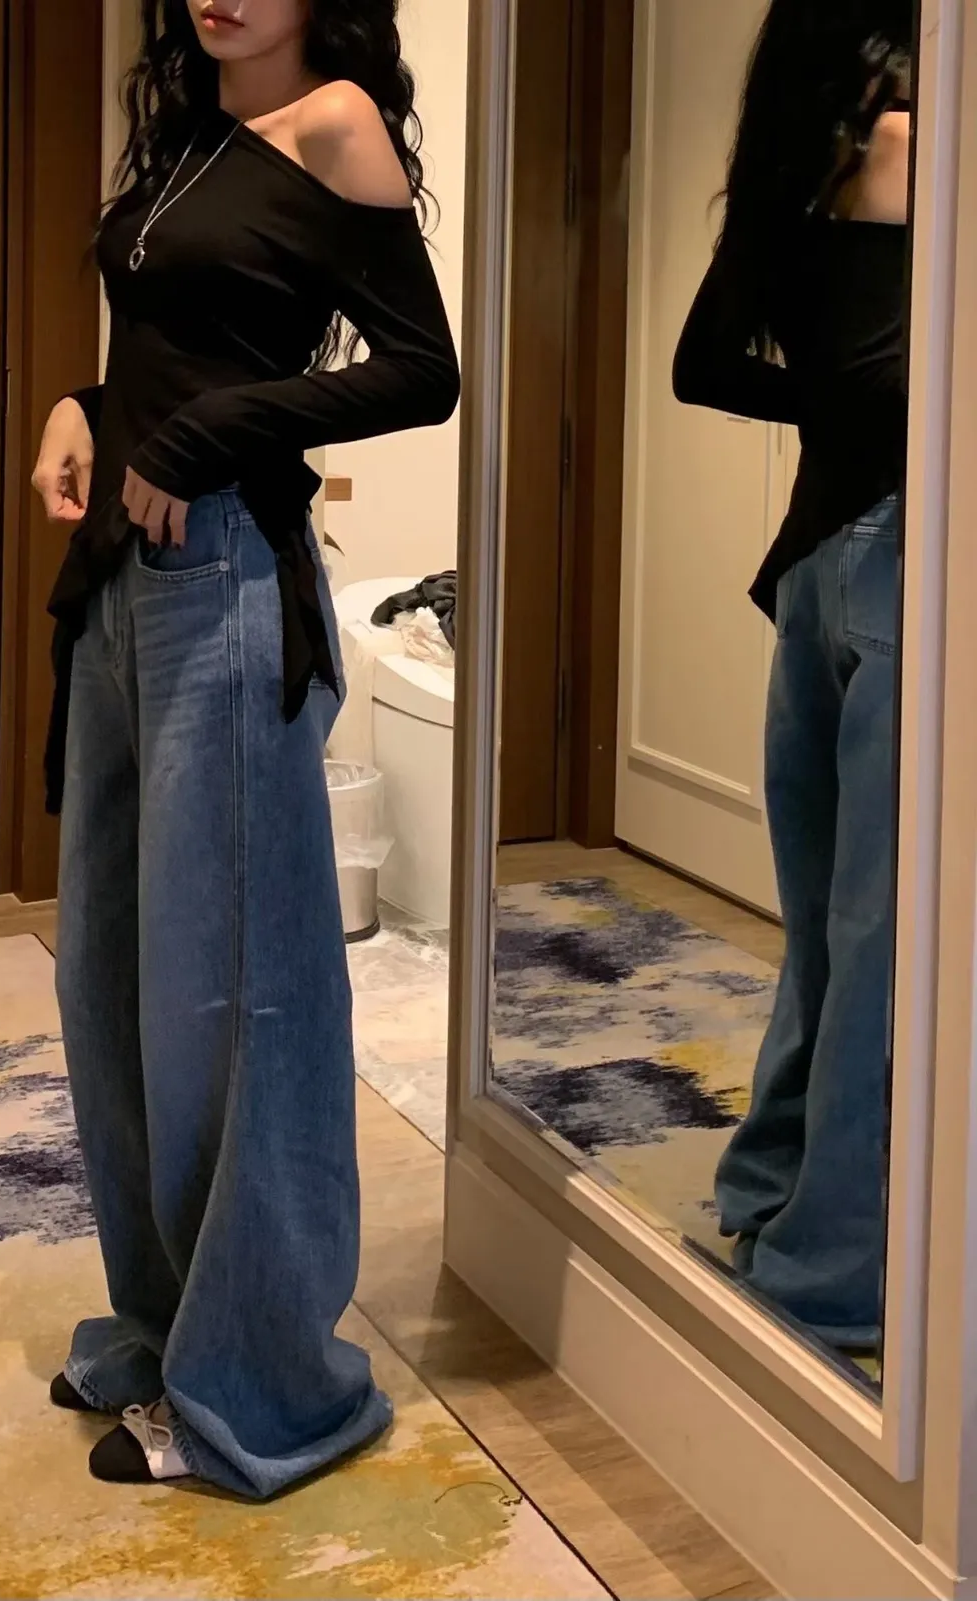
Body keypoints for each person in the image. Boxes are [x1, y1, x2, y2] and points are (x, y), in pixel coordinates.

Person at [30, 0, 459, 1494]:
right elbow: (170, 345)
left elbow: (421, 368)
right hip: (120, 582)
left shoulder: (335, 124)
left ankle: (266, 1383)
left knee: (235, 995)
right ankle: (168, 1329)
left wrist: (210, 436)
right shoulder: (187, 133)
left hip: (224, 576)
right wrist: (86, 403)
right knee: (113, 977)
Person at [673, 0, 912, 1351]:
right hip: (902, 565)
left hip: (816, 561)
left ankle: (769, 1186)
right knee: (884, 941)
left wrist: (831, 403)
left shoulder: (794, 151)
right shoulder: (918, 140)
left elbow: (701, 365)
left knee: (827, 924)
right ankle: (832, 1271)